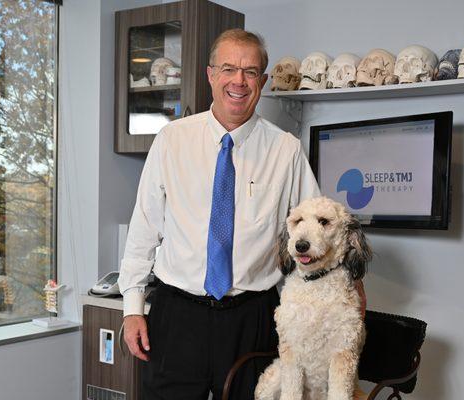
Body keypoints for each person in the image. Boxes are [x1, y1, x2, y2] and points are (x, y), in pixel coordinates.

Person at [118, 28, 363, 399]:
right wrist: (132, 308)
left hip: (252, 318)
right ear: (210, 75)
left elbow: (319, 237)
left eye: (250, 72)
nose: (239, 80)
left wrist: (348, 296)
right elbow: (144, 230)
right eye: (228, 68)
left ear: (262, 81)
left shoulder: (286, 150)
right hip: (177, 315)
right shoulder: (172, 140)